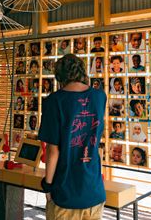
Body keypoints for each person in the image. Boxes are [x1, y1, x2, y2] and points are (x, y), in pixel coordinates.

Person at [38, 54, 106, 219]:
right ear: (82, 71)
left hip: (65, 193)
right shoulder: (100, 97)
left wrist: (47, 185)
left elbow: (53, 151)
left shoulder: (54, 101)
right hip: (94, 190)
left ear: (59, 75)